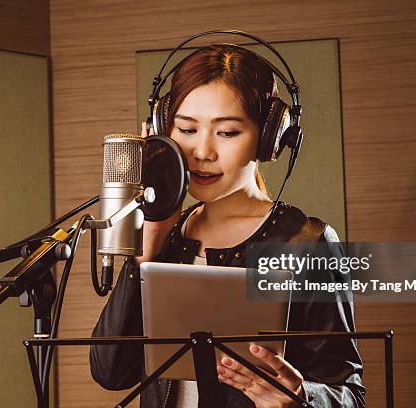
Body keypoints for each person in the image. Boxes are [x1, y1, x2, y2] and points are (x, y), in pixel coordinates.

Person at [90, 44, 365, 407]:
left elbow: (350, 395)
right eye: (186, 129)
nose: (202, 151)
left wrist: (301, 398)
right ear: (162, 130)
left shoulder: (306, 244)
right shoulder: (166, 238)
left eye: (227, 132)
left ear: (268, 139)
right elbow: (111, 373)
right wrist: (146, 252)